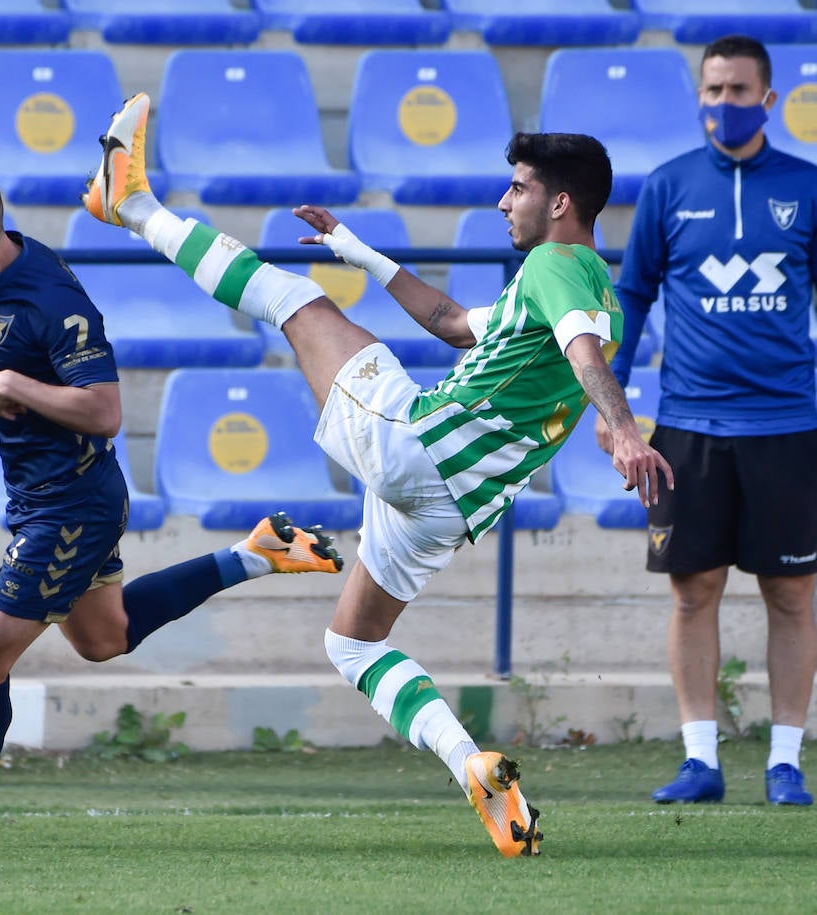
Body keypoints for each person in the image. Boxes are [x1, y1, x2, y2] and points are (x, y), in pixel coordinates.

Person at [80, 94, 672, 857]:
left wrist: (623, 431)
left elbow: (581, 353)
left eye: (518, 188)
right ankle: (474, 767)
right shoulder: (592, 294)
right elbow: (455, 323)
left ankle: (130, 205)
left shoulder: (556, 265)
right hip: (453, 506)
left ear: (560, 203)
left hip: (416, 446)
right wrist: (363, 252)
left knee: (294, 302)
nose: (503, 201)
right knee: (352, 644)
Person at [0, 154, 344, 850]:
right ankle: (255, 555)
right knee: (103, 638)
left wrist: (16, 387)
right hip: (44, 496)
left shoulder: (53, 303)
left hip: (71, 506)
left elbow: (103, 410)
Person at [604, 35, 817, 808]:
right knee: (694, 589)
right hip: (688, 425)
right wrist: (615, 403)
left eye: (738, 92)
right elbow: (631, 296)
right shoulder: (666, 187)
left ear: (768, 100)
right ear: (699, 96)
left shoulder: (808, 187)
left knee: (792, 593)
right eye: (713, 90)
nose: (723, 105)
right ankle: (700, 760)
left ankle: (786, 762)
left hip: (788, 423)